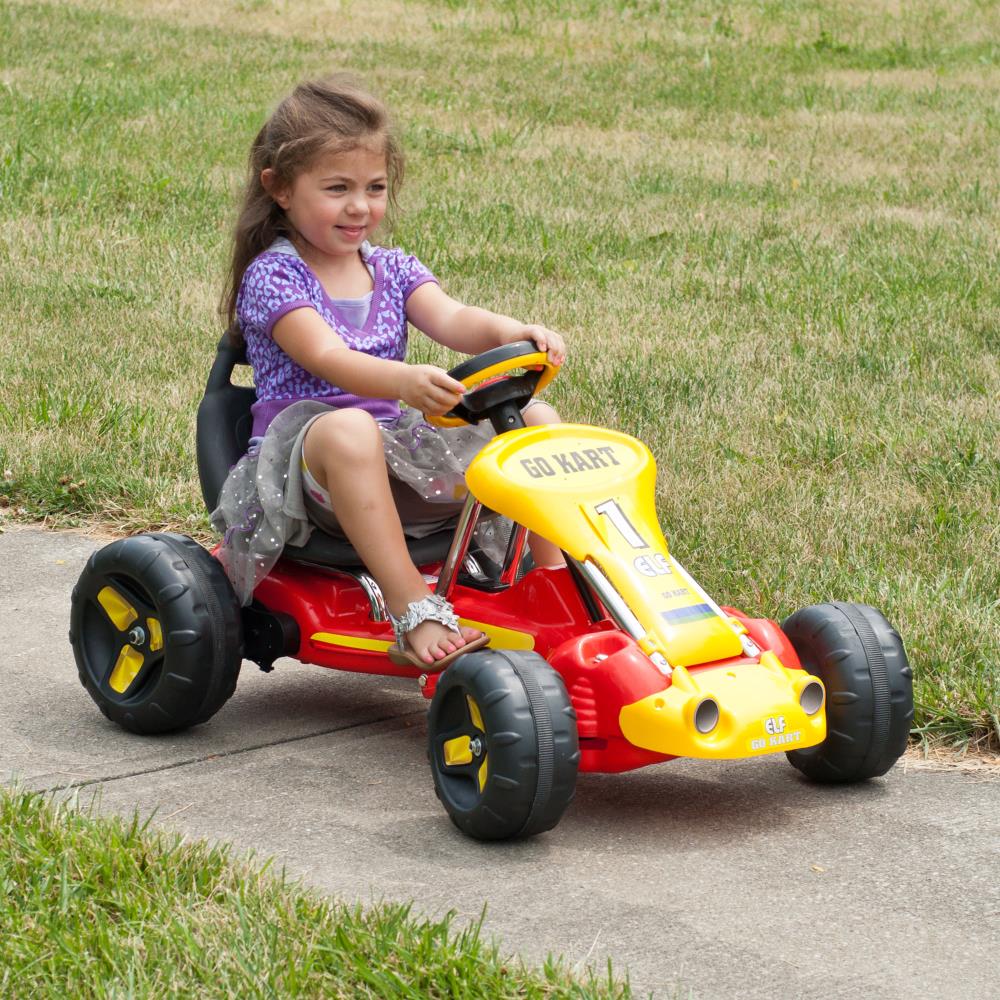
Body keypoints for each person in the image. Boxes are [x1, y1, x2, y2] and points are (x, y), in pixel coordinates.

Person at [213, 75, 567, 670]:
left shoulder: (393, 269)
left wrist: (511, 332)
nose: (360, 206)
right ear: (279, 188)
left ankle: (554, 585)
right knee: (349, 427)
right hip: (311, 468)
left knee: (538, 418)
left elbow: (454, 317)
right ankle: (412, 609)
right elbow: (328, 358)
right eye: (337, 188)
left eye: (374, 187)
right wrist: (402, 381)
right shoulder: (275, 277)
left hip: (394, 456)